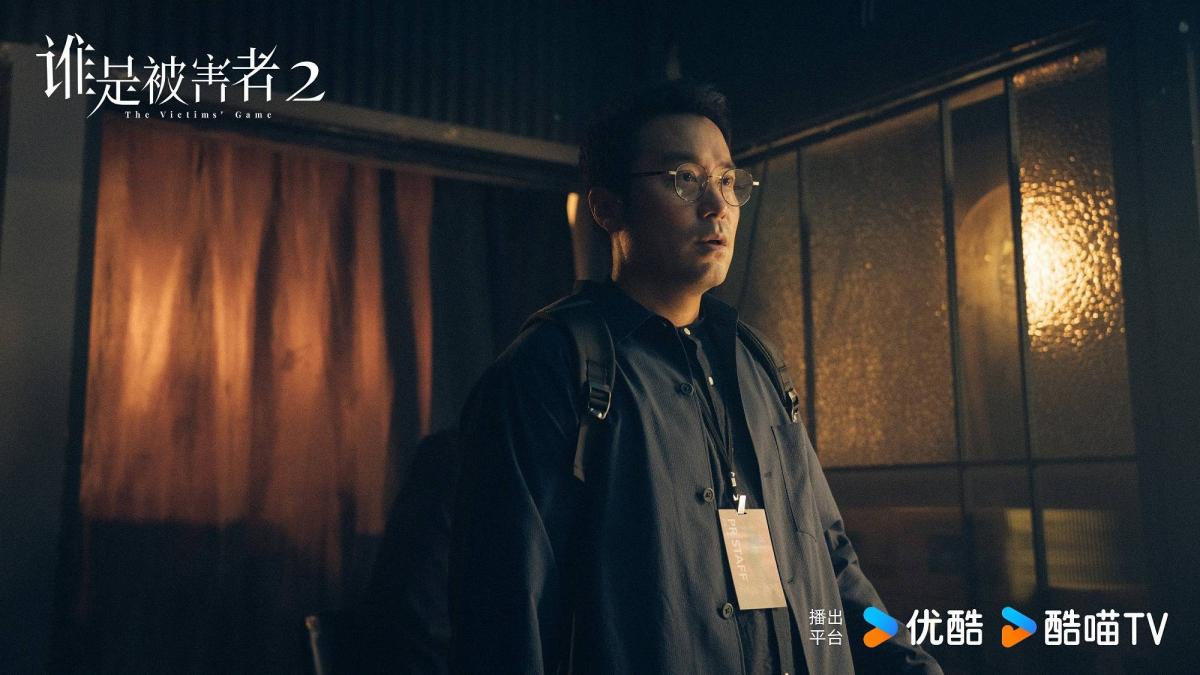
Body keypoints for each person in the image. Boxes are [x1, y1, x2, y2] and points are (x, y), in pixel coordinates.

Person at [449, 80, 941, 674]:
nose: (717, 206)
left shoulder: (757, 364)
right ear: (607, 207)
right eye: (684, 179)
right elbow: (506, 613)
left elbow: (831, 569)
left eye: (728, 181)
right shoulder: (553, 368)